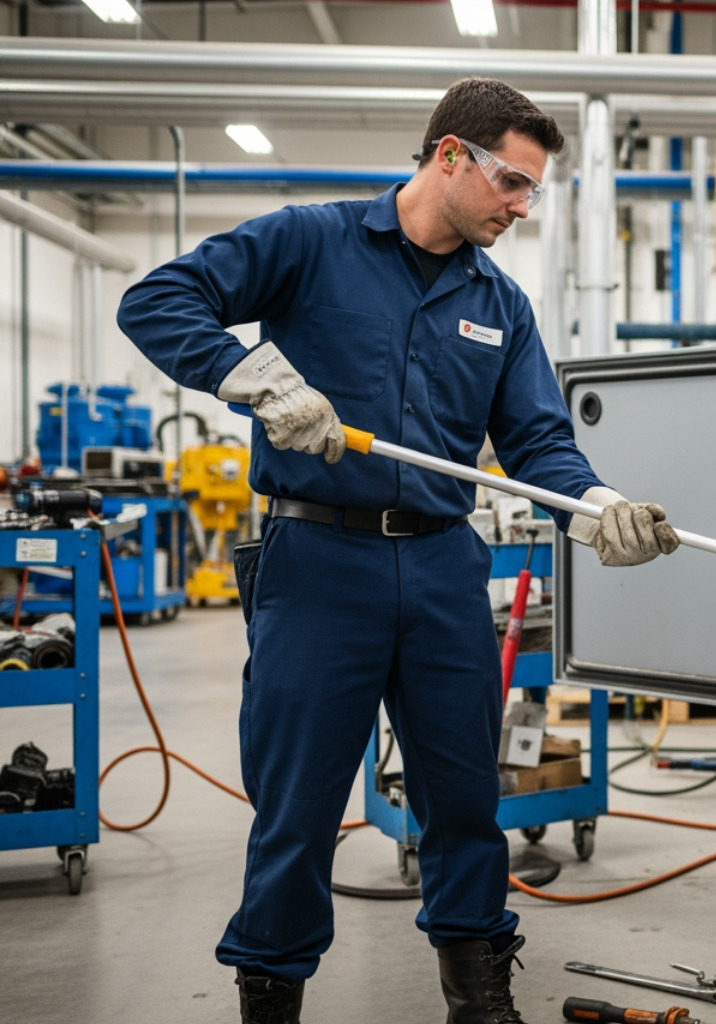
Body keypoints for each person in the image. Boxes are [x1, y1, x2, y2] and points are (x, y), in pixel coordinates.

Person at [117, 77, 678, 1024]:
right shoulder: (310, 242)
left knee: (463, 798)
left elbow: (539, 443)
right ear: (450, 156)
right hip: (316, 561)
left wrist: (596, 506)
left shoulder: (501, 305)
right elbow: (158, 298)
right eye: (512, 181)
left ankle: (480, 1001)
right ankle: (271, 997)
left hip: (442, 568)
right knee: (297, 805)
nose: (522, 206)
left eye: (533, 189)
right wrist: (249, 376)